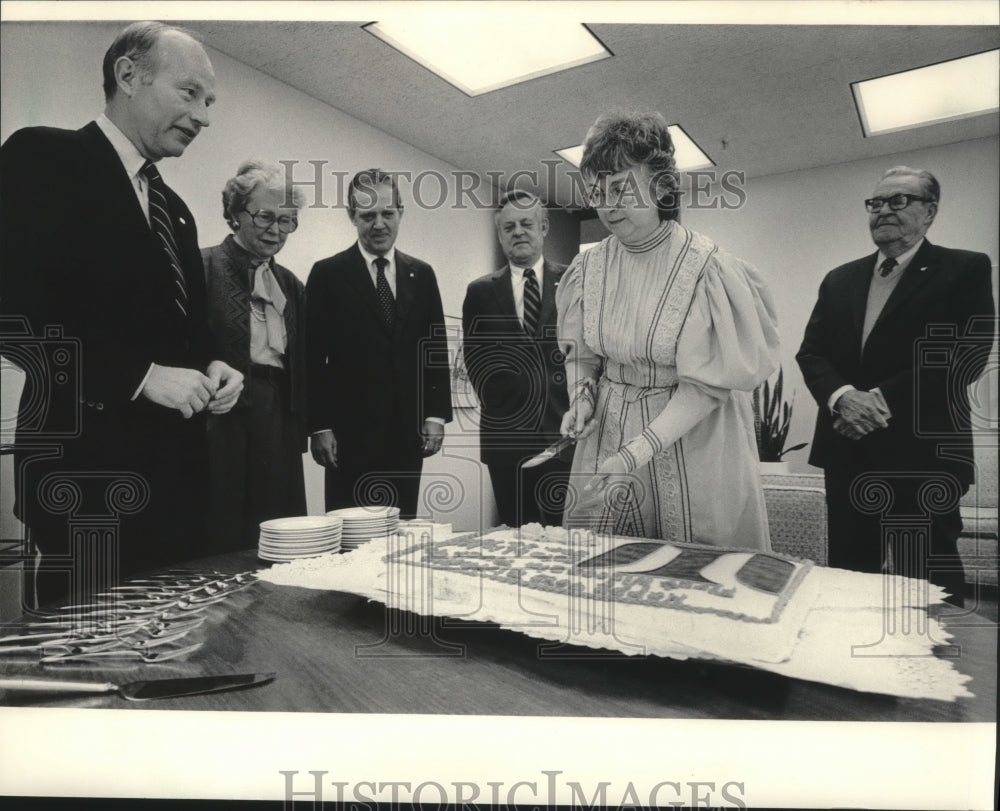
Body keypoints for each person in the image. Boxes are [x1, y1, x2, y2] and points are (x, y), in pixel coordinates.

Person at [0, 21, 243, 605]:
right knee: (89, 671)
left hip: (178, 488)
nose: (205, 116)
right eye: (190, 94)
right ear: (128, 75)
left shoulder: (175, 210)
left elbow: (188, 331)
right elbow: (12, 313)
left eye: (209, 101)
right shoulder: (41, 156)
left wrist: (216, 364)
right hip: (84, 483)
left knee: (177, 659)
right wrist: (137, 377)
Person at [557, 110, 780, 546]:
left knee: (693, 578)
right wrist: (581, 399)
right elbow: (583, 355)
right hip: (609, 440)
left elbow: (707, 389)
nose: (607, 204)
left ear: (660, 185)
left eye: (621, 188)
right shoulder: (587, 268)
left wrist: (635, 453)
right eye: (597, 192)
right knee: (605, 571)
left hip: (696, 444)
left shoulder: (709, 268)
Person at [796, 166, 995, 604]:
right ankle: (845, 670)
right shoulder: (839, 279)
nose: (883, 210)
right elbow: (811, 354)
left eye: (898, 200)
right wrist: (844, 398)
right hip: (848, 454)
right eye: (876, 203)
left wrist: (878, 402)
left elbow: (967, 355)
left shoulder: (965, 269)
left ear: (930, 212)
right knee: (850, 581)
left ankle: (935, 671)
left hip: (923, 457)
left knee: (926, 586)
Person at [305, 169, 452, 519]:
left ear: (400, 212)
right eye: (368, 215)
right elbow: (311, 358)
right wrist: (318, 426)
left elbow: (435, 350)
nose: (379, 224)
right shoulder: (327, 274)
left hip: (407, 434)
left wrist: (435, 416)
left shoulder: (423, 274)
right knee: (350, 534)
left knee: (401, 532)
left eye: (387, 213)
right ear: (352, 216)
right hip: (348, 438)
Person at [201, 160, 308, 552]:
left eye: (286, 221)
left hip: (278, 415)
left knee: (280, 531)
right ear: (234, 212)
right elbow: (181, 345)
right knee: (225, 530)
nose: (276, 230)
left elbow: (304, 360)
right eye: (265, 216)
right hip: (222, 418)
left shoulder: (291, 284)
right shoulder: (203, 266)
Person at [462, 190, 572, 527]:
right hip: (506, 439)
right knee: (515, 537)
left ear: (544, 228)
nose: (518, 232)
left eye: (526, 224)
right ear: (500, 234)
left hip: (563, 436)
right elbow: (475, 362)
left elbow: (585, 353)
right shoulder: (480, 292)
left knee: (563, 536)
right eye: (508, 227)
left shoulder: (571, 282)